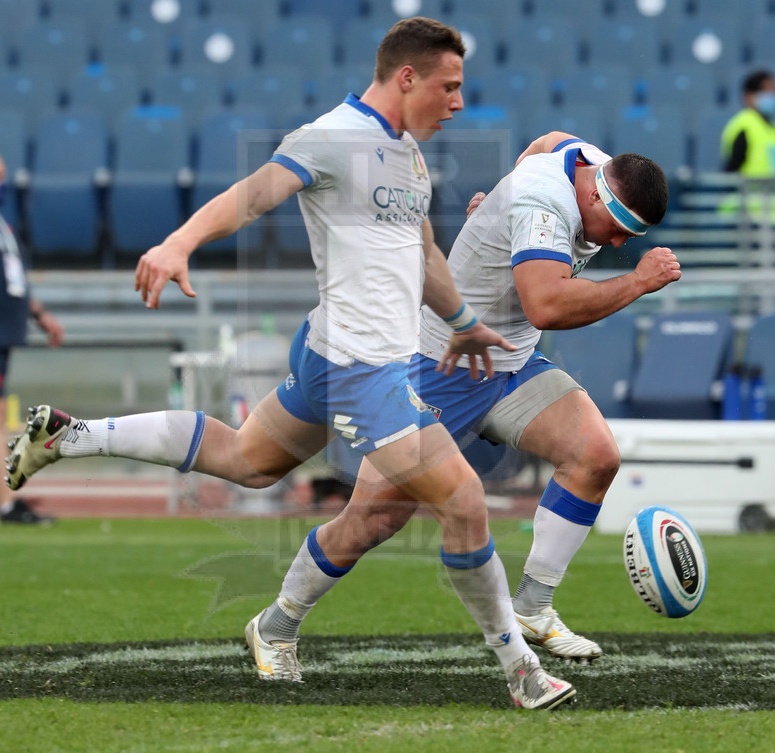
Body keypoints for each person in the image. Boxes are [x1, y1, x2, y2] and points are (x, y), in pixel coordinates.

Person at [6, 18, 576, 710]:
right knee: (462, 500)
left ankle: (74, 436)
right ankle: (521, 670)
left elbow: (421, 253)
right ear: (407, 77)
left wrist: (462, 324)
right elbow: (253, 194)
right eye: (449, 86)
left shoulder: (409, 156)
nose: (458, 102)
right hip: (361, 370)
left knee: (249, 460)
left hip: (331, 350)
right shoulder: (333, 136)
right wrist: (178, 242)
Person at [225, 130, 679, 670]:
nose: (620, 244)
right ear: (594, 197)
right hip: (440, 365)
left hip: (509, 361)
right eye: (620, 229)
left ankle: (533, 606)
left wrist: (495, 211)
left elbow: (547, 141)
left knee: (596, 456)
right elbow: (548, 307)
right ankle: (275, 626)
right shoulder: (543, 206)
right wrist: (636, 283)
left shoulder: (583, 163)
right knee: (373, 520)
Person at [0, 144, 64, 524]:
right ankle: (8, 503)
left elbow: (9, 278)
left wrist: (39, 314)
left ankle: (3, 497)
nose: (1, 183)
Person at [721, 69, 775, 176]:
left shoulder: (771, 124)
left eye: (772, 90)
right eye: (765, 91)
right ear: (748, 96)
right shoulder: (744, 125)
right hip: (749, 192)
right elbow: (732, 168)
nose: (771, 95)